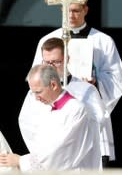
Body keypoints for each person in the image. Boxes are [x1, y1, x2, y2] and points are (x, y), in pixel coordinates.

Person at [31, 0, 122, 166]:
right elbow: (36, 76)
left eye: (76, 10)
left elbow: (117, 78)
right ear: (61, 10)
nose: (71, 15)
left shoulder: (103, 41)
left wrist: (96, 84)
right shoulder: (47, 41)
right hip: (57, 116)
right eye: (67, 11)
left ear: (85, 10)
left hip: (89, 107)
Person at [0, 64, 101, 171]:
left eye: (38, 92)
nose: (36, 98)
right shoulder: (46, 108)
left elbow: (60, 152)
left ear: (53, 85)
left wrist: (21, 161)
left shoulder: (76, 110)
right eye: (33, 93)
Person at [36, 37, 114, 167]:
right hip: (47, 160)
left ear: (67, 59)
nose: (51, 68)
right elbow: (29, 124)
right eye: (47, 63)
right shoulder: (36, 92)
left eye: (56, 62)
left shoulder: (86, 90)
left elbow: (98, 122)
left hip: (78, 161)